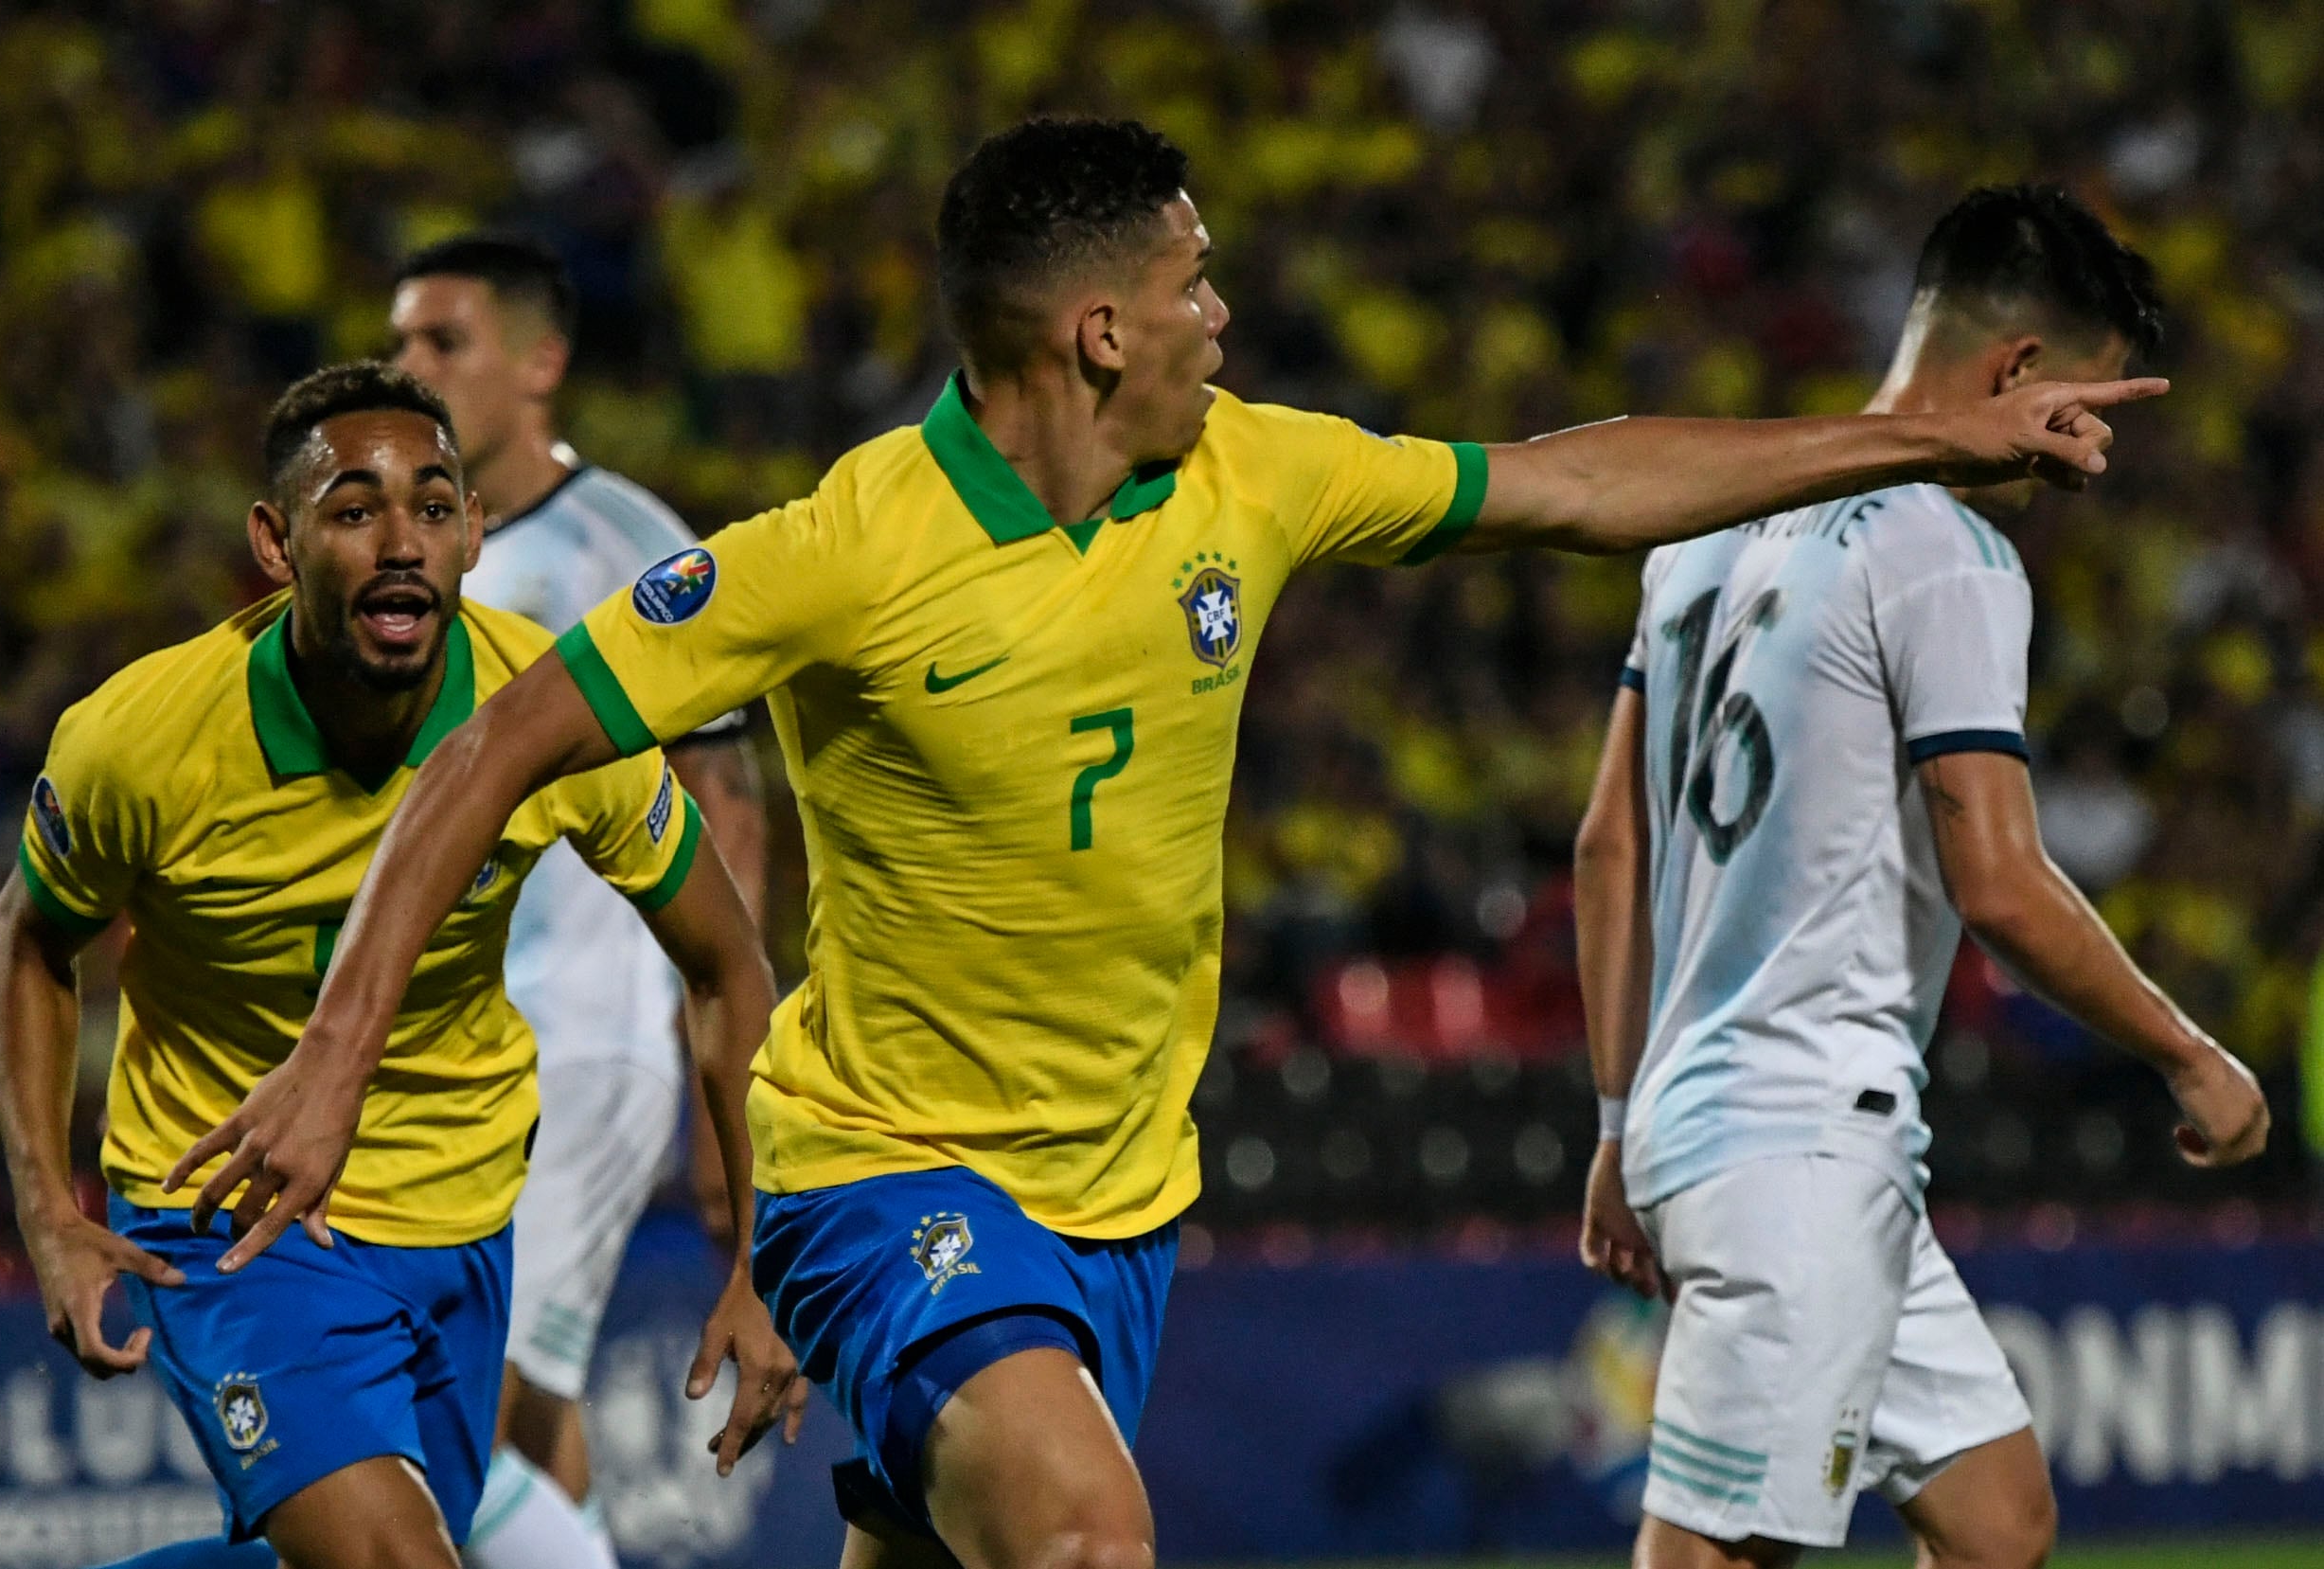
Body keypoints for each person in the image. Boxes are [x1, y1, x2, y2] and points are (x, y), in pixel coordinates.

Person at [178, 120, 2163, 1569]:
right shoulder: (839, 554)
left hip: (1114, 1204)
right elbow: (491, 740)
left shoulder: (1252, 473)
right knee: (1086, 1544)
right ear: (1099, 331)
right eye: (1196, 280)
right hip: (889, 1182)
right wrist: (335, 1058)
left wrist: (1918, 440)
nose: (1228, 312)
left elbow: (1573, 486)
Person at [0, 363, 789, 1569]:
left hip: (460, 1213)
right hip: (228, 1220)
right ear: (276, 540)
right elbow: (30, 938)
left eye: (433, 505)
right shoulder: (141, 741)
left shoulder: (553, 718)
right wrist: (48, 1207)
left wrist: (759, 1257)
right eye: (354, 510)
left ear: (472, 533)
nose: (401, 541)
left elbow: (729, 966)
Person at [1571, 186, 2270, 1569]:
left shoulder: (1704, 526)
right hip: (1800, 1136)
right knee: (1708, 1552)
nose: (2090, 451)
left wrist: (1614, 1117)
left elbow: (1609, 843)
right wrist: (2190, 1058)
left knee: (1995, 1516)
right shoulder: (1943, 554)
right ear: (2011, 374)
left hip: (1717, 1116)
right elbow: (1998, 886)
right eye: (2084, 405)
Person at [390, 232, 770, 1569]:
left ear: (540, 361)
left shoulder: (630, 543)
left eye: (445, 341)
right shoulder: (407, 556)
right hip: (450, 1039)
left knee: (463, 1399)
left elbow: (730, 809)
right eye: (400, 342)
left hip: (586, 1034)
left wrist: (718, 1053)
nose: (409, 368)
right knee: (520, 1402)